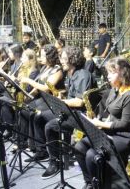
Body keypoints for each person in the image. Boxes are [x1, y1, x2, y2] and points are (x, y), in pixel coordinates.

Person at [74, 57, 130, 189]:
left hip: (123, 136)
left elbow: (126, 123)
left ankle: (101, 185)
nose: (107, 76)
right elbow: (108, 111)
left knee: (92, 155)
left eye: (111, 72)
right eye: (108, 72)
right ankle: (91, 182)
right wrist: (95, 118)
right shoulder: (114, 89)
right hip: (110, 130)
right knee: (79, 147)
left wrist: (100, 124)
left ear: (123, 73)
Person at [41, 46, 95, 179]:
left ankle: (55, 162)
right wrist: (61, 98)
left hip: (81, 116)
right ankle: (49, 153)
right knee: (40, 116)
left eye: (64, 58)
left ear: (73, 59)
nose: (61, 61)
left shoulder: (82, 75)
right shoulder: (71, 73)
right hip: (71, 111)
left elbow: (79, 102)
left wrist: (61, 103)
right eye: (61, 58)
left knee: (50, 127)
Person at [21, 44, 64, 161]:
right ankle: (32, 145)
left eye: (43, 55)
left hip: (51, 100)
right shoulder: (45, 67)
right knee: (25, 109)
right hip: (42, 99)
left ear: (50, 56)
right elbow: (37, 87)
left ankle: (42, 150)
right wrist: (29, 95)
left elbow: (46, 88)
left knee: (35, 115)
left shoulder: (57, 70)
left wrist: (28, 80)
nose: (40, 57)